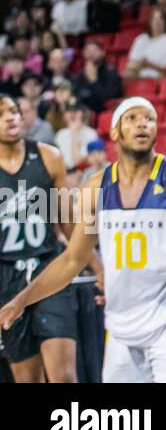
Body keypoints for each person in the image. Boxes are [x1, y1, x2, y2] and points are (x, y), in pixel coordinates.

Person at [0, 97, 166, 381]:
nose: (143, 123)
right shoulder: (95, 187)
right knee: (125, 424)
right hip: (121, 328)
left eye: (149, 119)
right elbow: (72, 260)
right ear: (115, 132)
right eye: (133, 118)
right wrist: (22, 301)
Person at [0, 96, 78, 382]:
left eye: (14, 112)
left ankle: (72, 426)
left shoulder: (49, 156)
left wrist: (96, 265)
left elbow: (69, 223)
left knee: (64, 377)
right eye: (2, 114)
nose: (10, 118)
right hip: (5, 277)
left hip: (48, 269)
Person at [123, 8, 166, 79]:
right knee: (126, 74)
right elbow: (132, 64)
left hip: (163, 77)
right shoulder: (141, 39)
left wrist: (151, 65)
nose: (157, 22)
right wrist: (138, 65)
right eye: (154, 19)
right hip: (139, 77)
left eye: (161, 19)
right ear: (149, 22)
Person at [71, 39, 121, 114]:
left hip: (100, 111)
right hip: (81, 110)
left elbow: (107, 99)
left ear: (103, 53)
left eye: (94, 50)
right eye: (88, 51)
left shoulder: (111, 72)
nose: (91, 53)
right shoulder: (81, 74)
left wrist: (94, 81)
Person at [53, 102, 98, 172]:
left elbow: (78, 162)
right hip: (64, 172)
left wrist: (75, 133)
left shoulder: (91, 133)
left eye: (76, 111)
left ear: (84, 114)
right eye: (69, 111)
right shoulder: (60, 134)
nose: (72, 115)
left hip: (84, 171)